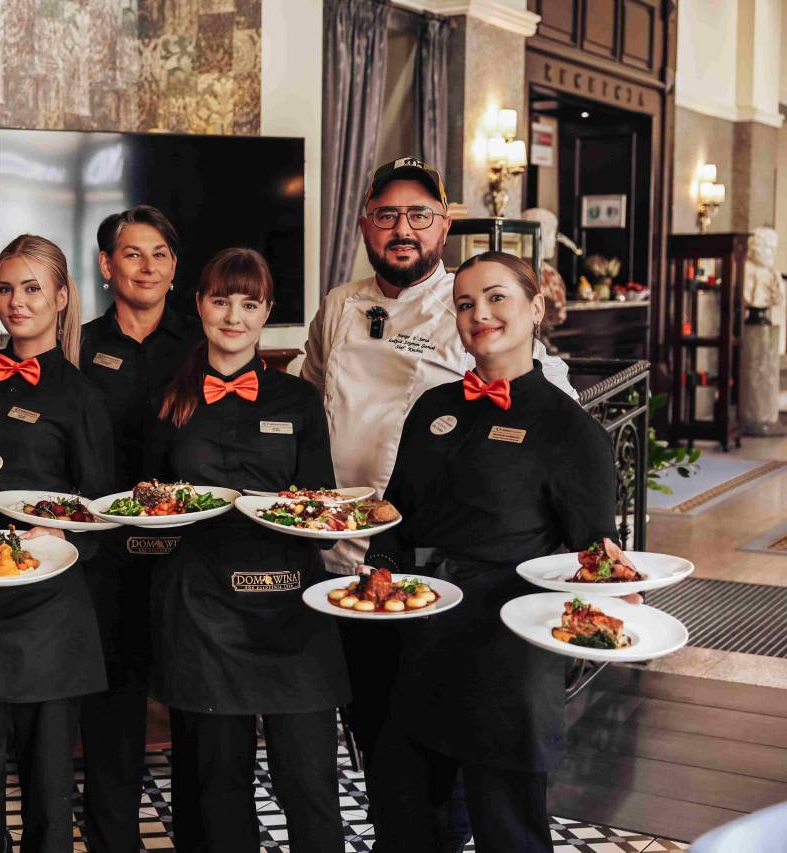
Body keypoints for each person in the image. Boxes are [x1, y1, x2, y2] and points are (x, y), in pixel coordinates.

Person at [299, 158, 575, 848]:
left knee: (439, 752)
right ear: (364, 223)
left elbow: (546, 399)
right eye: (387, 214)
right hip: (346, 562)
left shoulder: (470, 302)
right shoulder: (338, 306)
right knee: (380, 746)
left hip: (434, 574)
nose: (403, 229)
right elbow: (310, 400)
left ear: (443, 226)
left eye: (419, 215)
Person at [364, 252, 619, 852]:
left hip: (506, 647)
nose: (479, 313)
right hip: (417, 633)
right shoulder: (432, 407)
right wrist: (377, 579)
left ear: (536, 308)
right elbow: (396, 514)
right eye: (465, 303)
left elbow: (596, 553)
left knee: (508, 827)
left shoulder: (569, 428)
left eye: (497, 297)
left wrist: (617, 594)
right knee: (408, 818)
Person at [146, 248, 350, 853]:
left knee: (310, 782)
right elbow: (146, 499)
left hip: (294, 608)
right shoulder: (168, 399)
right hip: (202, 607)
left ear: (267, 312)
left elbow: (321, 501)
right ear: (199, 305)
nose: (233, 316)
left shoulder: (298, 400)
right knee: (218, 787)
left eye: (249, 303)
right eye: (220, 300)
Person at [0, 234, 115, 852]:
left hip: (49, 610)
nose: (16, 302)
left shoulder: (83, 396)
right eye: (6, 288)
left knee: (48, 796)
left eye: (32, 288)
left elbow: (100, 505)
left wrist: (62, 530)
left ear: (61, 298)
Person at [78, 205, 203, 852]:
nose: (147, 267)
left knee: (199, 723)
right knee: (111, 723)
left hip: (188, 556)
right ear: (107, 265)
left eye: (160, 254)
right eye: (132, 253)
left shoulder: (204, 343)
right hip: (106, 556)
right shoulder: (77, 345)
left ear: (175, 268)